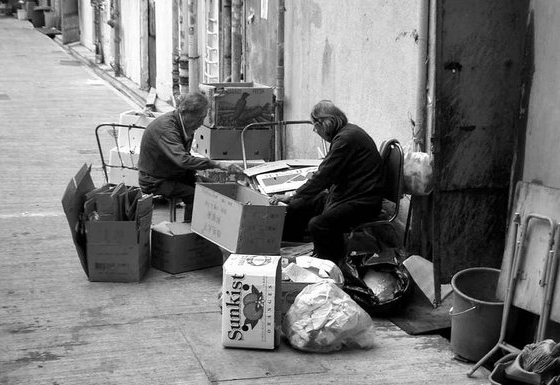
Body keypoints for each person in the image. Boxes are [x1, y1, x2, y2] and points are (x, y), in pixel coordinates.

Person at [269, 100, 383, 264]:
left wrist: (293, 194)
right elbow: (328, 173)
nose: (315, 130)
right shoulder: (345, 135)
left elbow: (324, 175)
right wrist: (296, 197)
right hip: (348, 193)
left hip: (362, 202)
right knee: (297, 206)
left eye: (316, 125)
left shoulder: (346, 139)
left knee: (319, 225)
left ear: (326, 123)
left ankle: (332, 266)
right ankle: (287, 251)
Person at [138, 92, 244, 222]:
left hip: (173, 174)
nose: (201, 122)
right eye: (199, 118)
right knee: (195, 196)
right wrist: (217, 164)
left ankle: (210, 228)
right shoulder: (167, 129)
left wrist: (195, 176)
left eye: (203, 117)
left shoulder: (186, 125)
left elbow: (185, 158)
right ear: (185, 113)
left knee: (213, 189)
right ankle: (189, 234)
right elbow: (182, 160)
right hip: (155, 180)